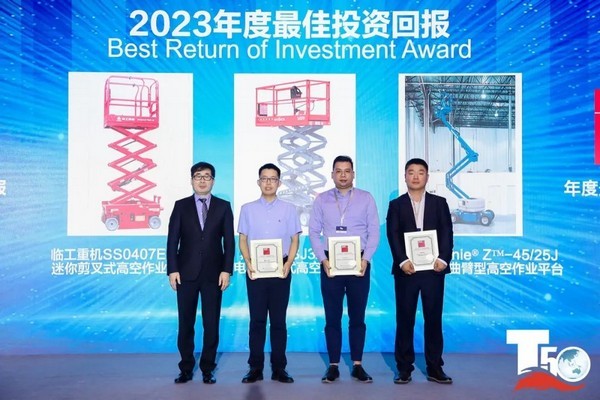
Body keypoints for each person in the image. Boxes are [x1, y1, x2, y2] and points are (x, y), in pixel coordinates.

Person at [308, 155, 380, 383]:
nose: (343, 175)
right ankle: (333, 365)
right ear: (332, 174)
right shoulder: (321, 200)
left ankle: (357, 364)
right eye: (338, 171)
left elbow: (374, 231)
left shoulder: (366, 198)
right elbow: (313, 232)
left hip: (359, 262)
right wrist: (323, 259)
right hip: (331, 263)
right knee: (332, 317)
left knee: (357, 317)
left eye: (347, 171)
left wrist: (366, 259)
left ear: (353, 174)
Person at [386, 158, 454, 385]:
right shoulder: (396, 205)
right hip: (407, 271)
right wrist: (402, 261)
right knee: (405, 320)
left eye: (420, 172)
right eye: (411, 172)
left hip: (433, 271)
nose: (415, 176)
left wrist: (443, 259)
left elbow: (447, 232)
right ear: (405, 176)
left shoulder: (439, 203)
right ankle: (404, 368)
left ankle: (435, 368)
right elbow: (393, 235)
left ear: (427, 176)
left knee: (433, 319)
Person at [166, 161, 235, 384]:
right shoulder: (181, 206)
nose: (202, 180)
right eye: (198, 176)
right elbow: (172, 240)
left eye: (207, 176)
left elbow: (229, 242)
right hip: (185, 274)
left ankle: (207, 368)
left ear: (213, 181)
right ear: (192, 180)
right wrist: (172, 269)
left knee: (211, 323)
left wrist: (226, 270)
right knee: (185, 323)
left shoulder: (223, 207)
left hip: (214, 275)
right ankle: (186, 367)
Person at [237, 163, 301, 384]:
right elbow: (243, 239)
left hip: (280, 268)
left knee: (278, 321)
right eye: (264, 178)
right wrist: (247, 262)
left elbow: (295, 239)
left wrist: (289, 263)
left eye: (273, 179)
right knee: (257, 320)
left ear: (279, 183)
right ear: (258, 182)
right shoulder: (247, 209)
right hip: (256, 268)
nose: (268, 183)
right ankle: (255, 368)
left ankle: (279, 368)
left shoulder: (289, 209)